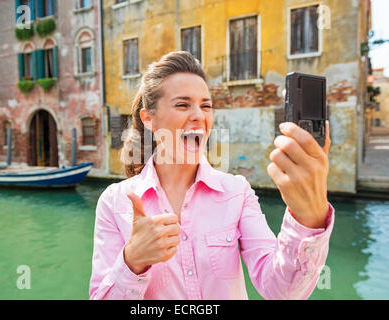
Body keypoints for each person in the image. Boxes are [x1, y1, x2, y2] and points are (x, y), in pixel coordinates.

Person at [89, 51, 334, 300]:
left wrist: (308, 219)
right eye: (183, 104)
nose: (199, 115)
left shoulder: (237, 192)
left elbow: (282, 292)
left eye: (206, 105)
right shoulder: (114, 202)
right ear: (148, 118)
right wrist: (132, 261)